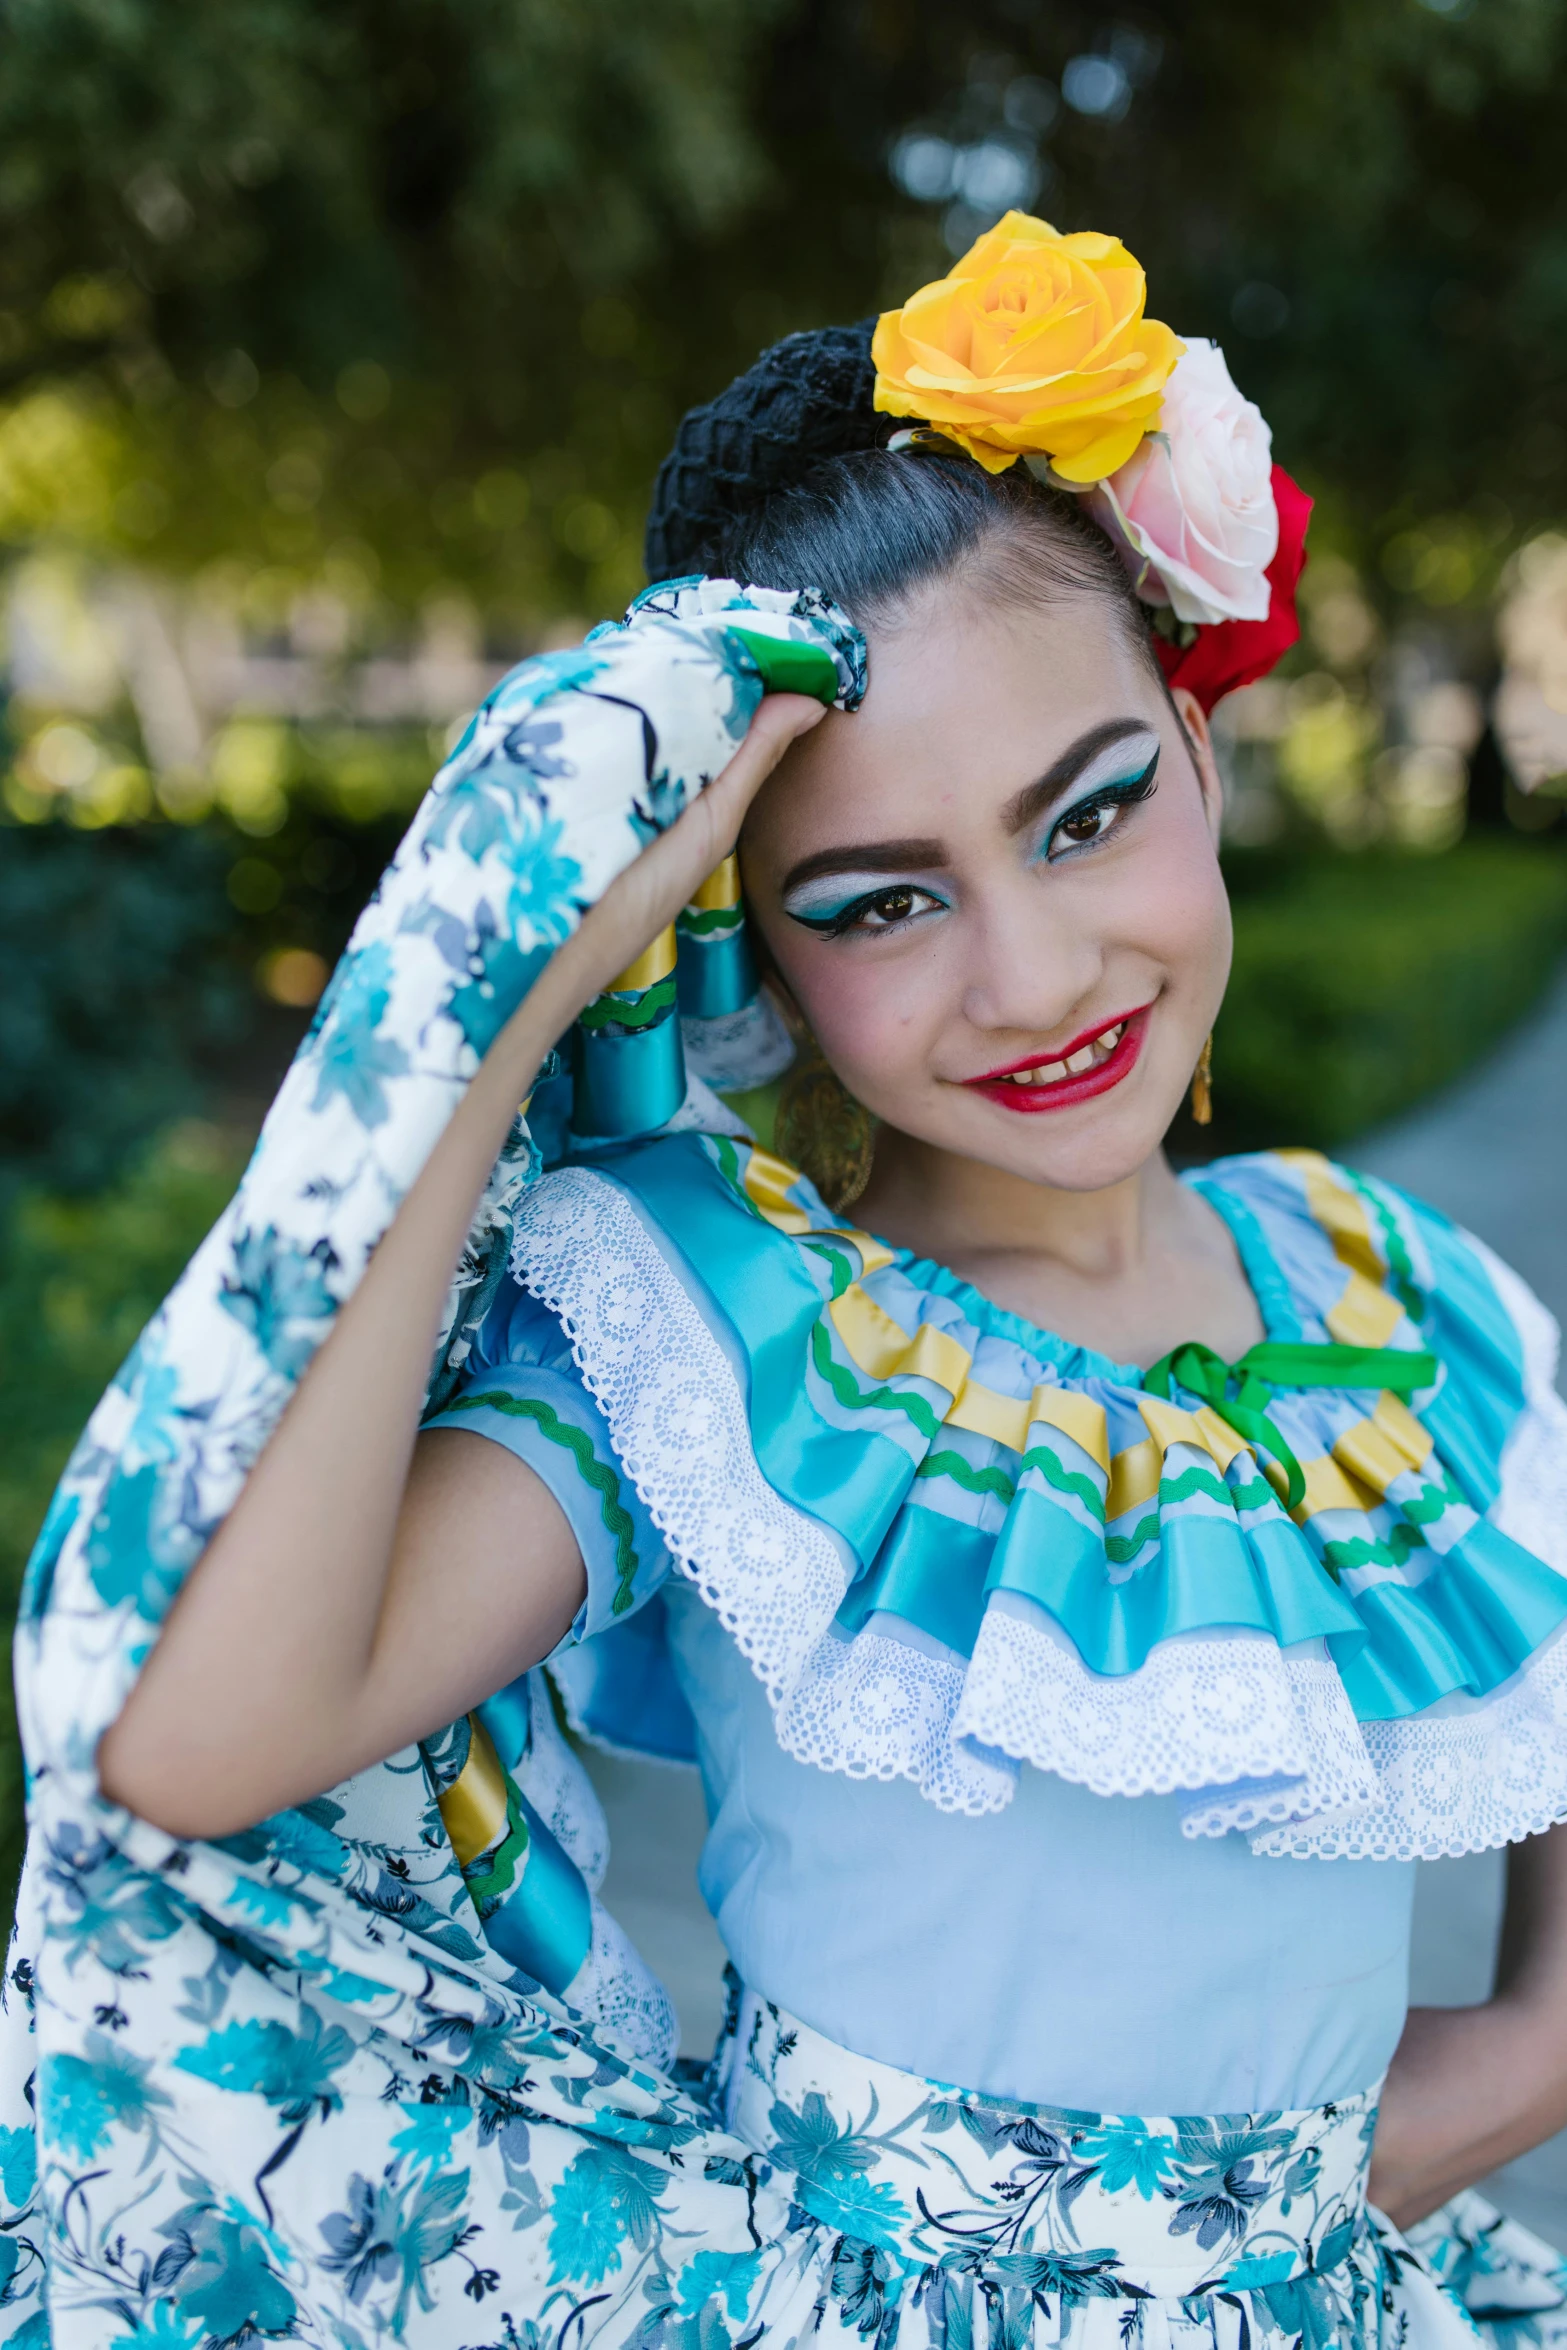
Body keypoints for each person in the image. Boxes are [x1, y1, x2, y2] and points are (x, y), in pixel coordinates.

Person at [5, 213, 1567, 2350]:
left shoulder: (1415, 1306)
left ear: (1199, 750)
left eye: (1090, 812)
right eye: (880, 897)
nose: (1030, 974)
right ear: (744, 927)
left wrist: (1239, 2230)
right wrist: (505, 978)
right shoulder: (706, 1321)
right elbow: (198, 1745)